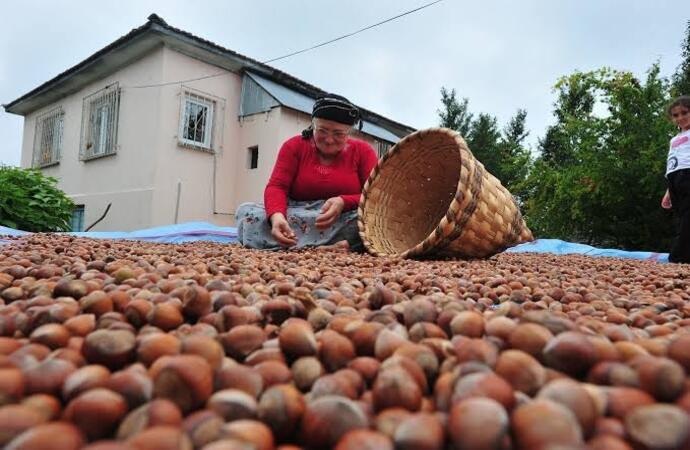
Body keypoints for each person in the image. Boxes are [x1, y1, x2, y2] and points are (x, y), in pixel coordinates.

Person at [236, 93, 379, 251]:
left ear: (349, 132)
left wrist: (343, 202)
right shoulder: (294, 146)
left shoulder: (363, 151)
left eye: (338, 134)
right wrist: (277, 217)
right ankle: (345, 246)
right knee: (248, 212)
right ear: (313, 126)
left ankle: (335, 244)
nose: (329, 140)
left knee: (373, 220)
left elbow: (373, 197)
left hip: (342, 217)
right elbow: (277, 187)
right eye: (322, 131)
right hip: (297, 213)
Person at [661, 95, 690, 263]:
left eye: (684, 113)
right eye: (675, 115)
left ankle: (679, 257)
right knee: (681, 217)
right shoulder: (674, 139)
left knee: (688, 216)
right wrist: (668, 193)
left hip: (688, 175)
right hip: (675, 179)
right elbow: (672, 163)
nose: (680, 118)